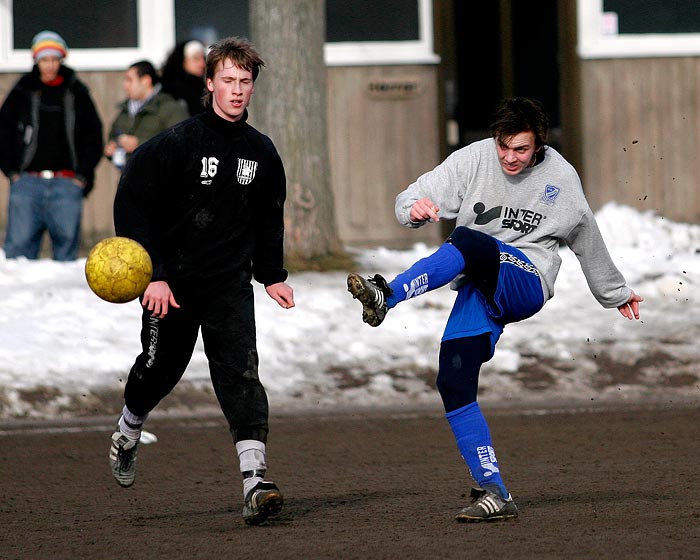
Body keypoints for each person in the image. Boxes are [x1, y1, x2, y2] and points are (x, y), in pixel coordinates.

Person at [347, 97, 643, 523]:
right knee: (452, 377)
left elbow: (586, 236)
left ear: (539, 145)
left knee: (467, 241)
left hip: (527, 279)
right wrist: (413, 210)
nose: (508, 157)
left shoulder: (561, 177)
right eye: (503, 145)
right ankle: (495, 491)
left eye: (520, 149)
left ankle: (387, 296)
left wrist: (615, 292)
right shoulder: (474, 159)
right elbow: (411, 196)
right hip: (480, 285)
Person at [109, 37, 295, 526]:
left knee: (240, 374)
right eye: (228, 80)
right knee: (161, 369)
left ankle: (256, 481)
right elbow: (131, 201)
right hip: (170, 285)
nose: (236, 90)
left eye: (245, 82)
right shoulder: (177, 144)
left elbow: (268, 218)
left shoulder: (261, 151)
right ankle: (128, 429)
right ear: (209, 83)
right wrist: (157, 275)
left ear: (253, 88)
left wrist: (271, 274)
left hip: (228, 285)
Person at [0, 30, 103, 261]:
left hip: (67, 183)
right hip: (26, 182)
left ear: (61, 60)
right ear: (36, 61)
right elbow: (3, 131)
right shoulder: (22, 91)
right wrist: (12, 171)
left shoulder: (77, 91)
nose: (49, 66)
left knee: (66, 256)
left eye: (54, 59)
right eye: (44, 60)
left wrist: (82, 175)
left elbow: (93, 135)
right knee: (18, 257)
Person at [104, 60, 188, 170]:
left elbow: (181, 144)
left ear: (146, 81)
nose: (125, 85)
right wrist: (113, 147)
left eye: (129, 80)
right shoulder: (125, 109)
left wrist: (139, 145)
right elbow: (113, 135)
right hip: (130, 178)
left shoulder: (170, 108)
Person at [161, 40, 207, 116]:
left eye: (204, 58)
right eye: (196, 58)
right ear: (182, 60)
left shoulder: (203, 86)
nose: (202, 64)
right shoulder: (170, 90)